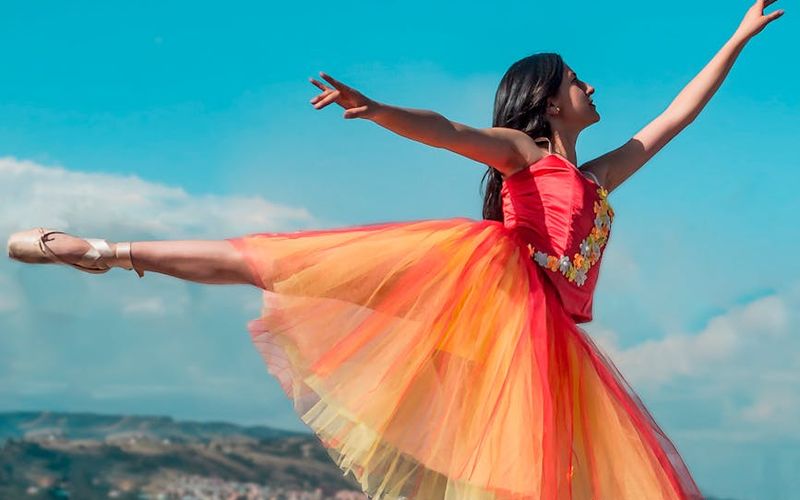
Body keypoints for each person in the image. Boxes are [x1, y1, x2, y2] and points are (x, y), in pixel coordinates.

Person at [6, 1, 784, 498]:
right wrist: (378, 110)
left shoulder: (598, 177)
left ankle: (111, 250)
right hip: (491, 294)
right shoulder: (523, 150)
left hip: (547, 341)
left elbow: (674, 119)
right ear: (550, 99)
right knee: (281, 261)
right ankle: (107, 250)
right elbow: (449, 131)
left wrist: (736, 40)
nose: (594, 88)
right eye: (580, 80)